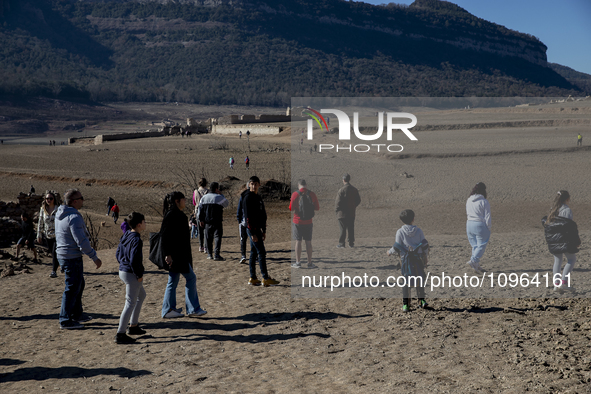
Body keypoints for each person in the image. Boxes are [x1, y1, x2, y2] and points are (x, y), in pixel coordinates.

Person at [55, 189, 102, 329]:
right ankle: (65, 320)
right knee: (72, 288)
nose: (83, 200)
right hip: (71, 257)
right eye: (81, 198)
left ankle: (77, 314)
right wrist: (94, 257)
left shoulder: (60, 214)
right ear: (75, 201)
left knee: (78, 284)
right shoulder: (74, 217)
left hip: (64, 255)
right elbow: (81, 241)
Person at [160, 191, 207, 319]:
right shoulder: (172, 215)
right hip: (177, 256)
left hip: (178, 255)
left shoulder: (175, 214)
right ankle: (191, 308)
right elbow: (164, 236)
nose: (185, 201)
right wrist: (167, 254)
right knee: (191, 278)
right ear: (177, 201)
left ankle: (169, 309)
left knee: (173, 281)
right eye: (183, 199)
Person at [388, 209, 429, 312]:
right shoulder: (419, 231)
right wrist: (426, 257)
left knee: (406, 281)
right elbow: (424, 245)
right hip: (418, 259)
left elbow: (397, 247)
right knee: (419, 278)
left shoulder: (400, 231)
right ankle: (422, 301)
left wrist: (389, 252)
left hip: (405, 260)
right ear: (413, 219)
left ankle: (406, 305)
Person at [115, 212, 147, 344]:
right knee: (129, 303)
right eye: (144, 221)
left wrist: (123, 264)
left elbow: (118, 253)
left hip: (123, 271)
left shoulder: (126, 234)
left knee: (141, 295)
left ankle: (133, 326)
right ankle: (120, 333)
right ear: (139, 224)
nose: (146, 224)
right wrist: (139, 275)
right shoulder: (136, 239)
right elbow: (134, 261)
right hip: (131, 273)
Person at [243, 176, 280, 287]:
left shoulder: (257, 197)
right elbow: (247, 217)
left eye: (256, 184)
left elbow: (262, 214)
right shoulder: (247, 198)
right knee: (262, 252)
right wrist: (253, 233)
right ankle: (265, 278)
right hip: (252, 229)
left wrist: (264, 230)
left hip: (258, 228)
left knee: (254, 253)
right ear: (249, 184)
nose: (254, 186)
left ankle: (253, 278)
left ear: (259, 185)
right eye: (252, 184)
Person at [542, 190, 581, 292]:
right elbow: (569, 227)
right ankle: (564, 282)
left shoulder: (553, 209)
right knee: (571, 259)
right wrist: (576, 241)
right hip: (564, 239)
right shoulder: (567, 210)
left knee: (557, 260)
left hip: (553, 240)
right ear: (567, 199)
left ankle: (556, 284)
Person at [290, 179, 319, 269]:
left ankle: (298, 262)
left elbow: (290, 208)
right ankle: (309, 263)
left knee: (298, 241)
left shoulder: (295, 194)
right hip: (308, 221)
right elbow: (317, 208)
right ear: (306, 185)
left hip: (297, 221)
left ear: (298, 185)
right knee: (308, 242)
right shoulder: (312, 194)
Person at [198, 182, 229, 261]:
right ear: (216, 189)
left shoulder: (204, 198)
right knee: (217, 237)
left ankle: (209, 254)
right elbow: (226, 204)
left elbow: (200, 209)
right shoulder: (219, 197)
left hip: (207, 221)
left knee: (208, 238)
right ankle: (217, 254)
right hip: (217, 221)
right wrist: (221, 195)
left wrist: (201, 219)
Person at [466, 182, 491, 274]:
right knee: (481, 245)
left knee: (475, 245)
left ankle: (476, 264)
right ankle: (473, 260)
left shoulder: (469, 200)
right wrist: (488, 228)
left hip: (469, 224)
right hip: (479, 224)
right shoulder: (484, 201)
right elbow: (487, 217)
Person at [37, 191, 60, 277]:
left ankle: (54, 271)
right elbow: (40, 222)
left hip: (57, 235)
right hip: (48, 235)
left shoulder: (58, 209)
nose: (49, 200)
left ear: (54, 199)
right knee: (52, 252)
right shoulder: (43, 209)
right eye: (47, 198)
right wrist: (39, 235)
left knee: (55, 252)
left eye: (51, 198)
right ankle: (61, 264)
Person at [335, 173, 361, 248]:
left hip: (342, 213)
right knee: (350, 228)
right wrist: (353, 206)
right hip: (351, 212)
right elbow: (358, 200)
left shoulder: (341, 190)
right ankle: (351, 243)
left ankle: (342, 243)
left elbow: (337, 202)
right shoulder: (354, 189)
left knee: (342, 229)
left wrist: (337, 210)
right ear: (349, 180)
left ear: (343, 180)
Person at [193, 178, 210, 253]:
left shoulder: (195, 191)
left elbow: (194, 202)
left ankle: (201, 246)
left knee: (200, 231)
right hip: (206, 212)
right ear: (206, 183)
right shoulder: (209, 191)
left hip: (197, 211)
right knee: (206, 230)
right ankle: (206, 247)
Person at [237, 184, 250, 264]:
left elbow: (239, 210)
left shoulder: (255, 197)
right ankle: (243, 256)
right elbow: (239, 209)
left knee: (244, 239)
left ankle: (243, 255)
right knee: (244, 239)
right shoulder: (243, 196)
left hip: (246, 222)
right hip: (244, 222)